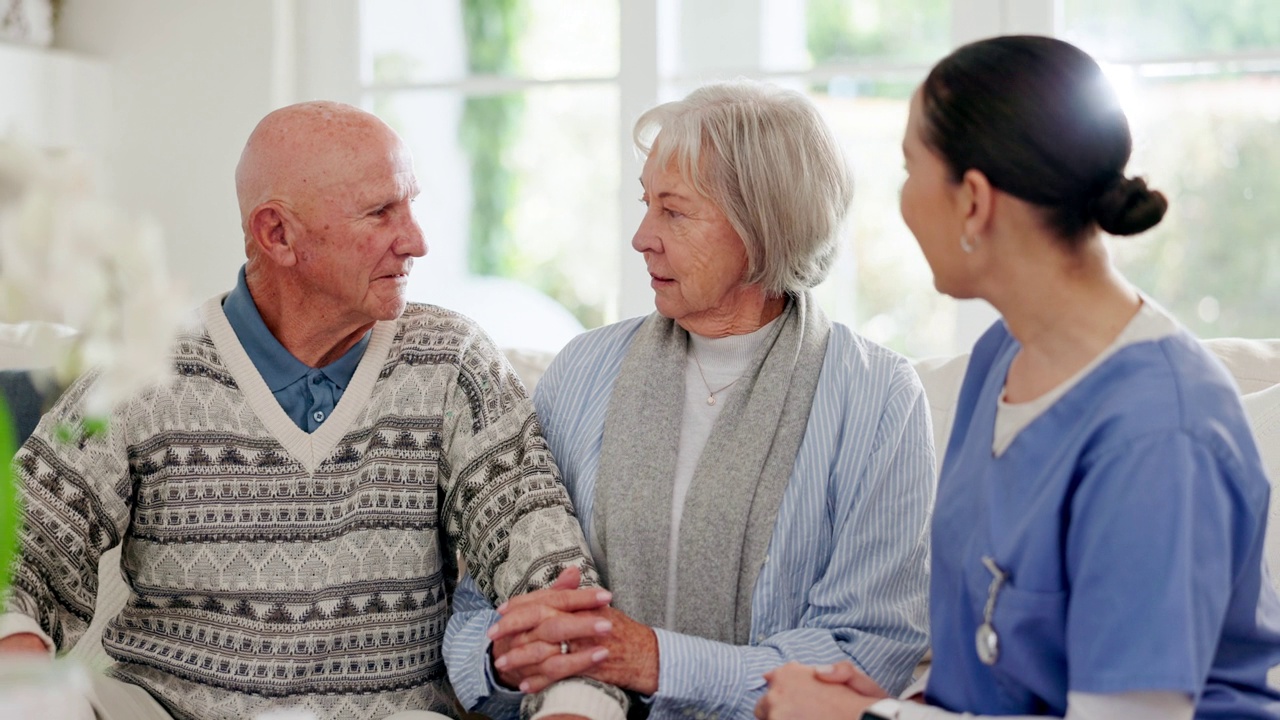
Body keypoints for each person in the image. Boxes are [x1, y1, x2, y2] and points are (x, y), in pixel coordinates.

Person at [0, 101, 624, 720]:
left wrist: (573, 698)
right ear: (277, 235)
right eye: (381, 212)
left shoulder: (452, 361)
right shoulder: (147, 361)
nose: (417, 241)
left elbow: (551, 576)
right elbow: (19, 547)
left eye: (411, 205)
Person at [755, 35, 1280, 720]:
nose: (903, 200)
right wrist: (891, 705)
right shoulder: (1002, 357)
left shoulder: (1160, 434)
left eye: (910, 169)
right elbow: (995, 665)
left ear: (973, 200)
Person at [443, 80, 936, 718]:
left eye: (673, 211)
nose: (642, 236)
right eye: (647, 205)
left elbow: (865, 655)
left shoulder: (878, 398)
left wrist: (652, 658)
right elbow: (480, 606)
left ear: (761, 226)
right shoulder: (582, 371)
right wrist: (508, 661)